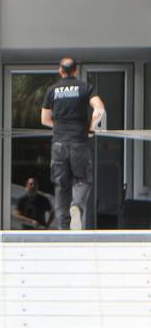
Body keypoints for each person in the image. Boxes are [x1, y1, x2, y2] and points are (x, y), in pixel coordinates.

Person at [42, 57, 106, 231]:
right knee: (83, 180)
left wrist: (60, 127)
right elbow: (99, 109)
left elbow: (45, 119)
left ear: (60, 71)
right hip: (79, 142)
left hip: (59, 144)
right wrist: (91, 128)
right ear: (76, 71)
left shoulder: (51, 90)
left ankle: (63, 226)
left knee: (61, 185)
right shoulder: (85, 88)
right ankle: (77, 206)